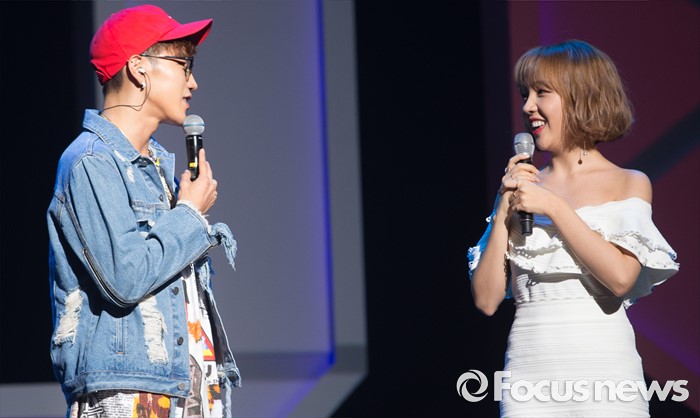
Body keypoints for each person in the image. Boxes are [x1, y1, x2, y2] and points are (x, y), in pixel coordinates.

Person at [47, 5, 240, 417]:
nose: (193, 82)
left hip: (188, 387)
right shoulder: (91, 162)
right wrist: (189, 213)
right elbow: (126, 277)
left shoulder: (157, 169)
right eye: (184, 65)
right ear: (138, 68)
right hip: (132, 391)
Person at [468, 39, 679, 417]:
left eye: (541, 93)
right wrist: (502, 210)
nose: (527, 107)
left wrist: (553, 206)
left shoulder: (629, 182)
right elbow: (486, 300)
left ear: (580, 97)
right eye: (525, 94)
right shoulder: (522, 188)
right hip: (529, 376)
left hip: (606, 375)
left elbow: (621, 279)